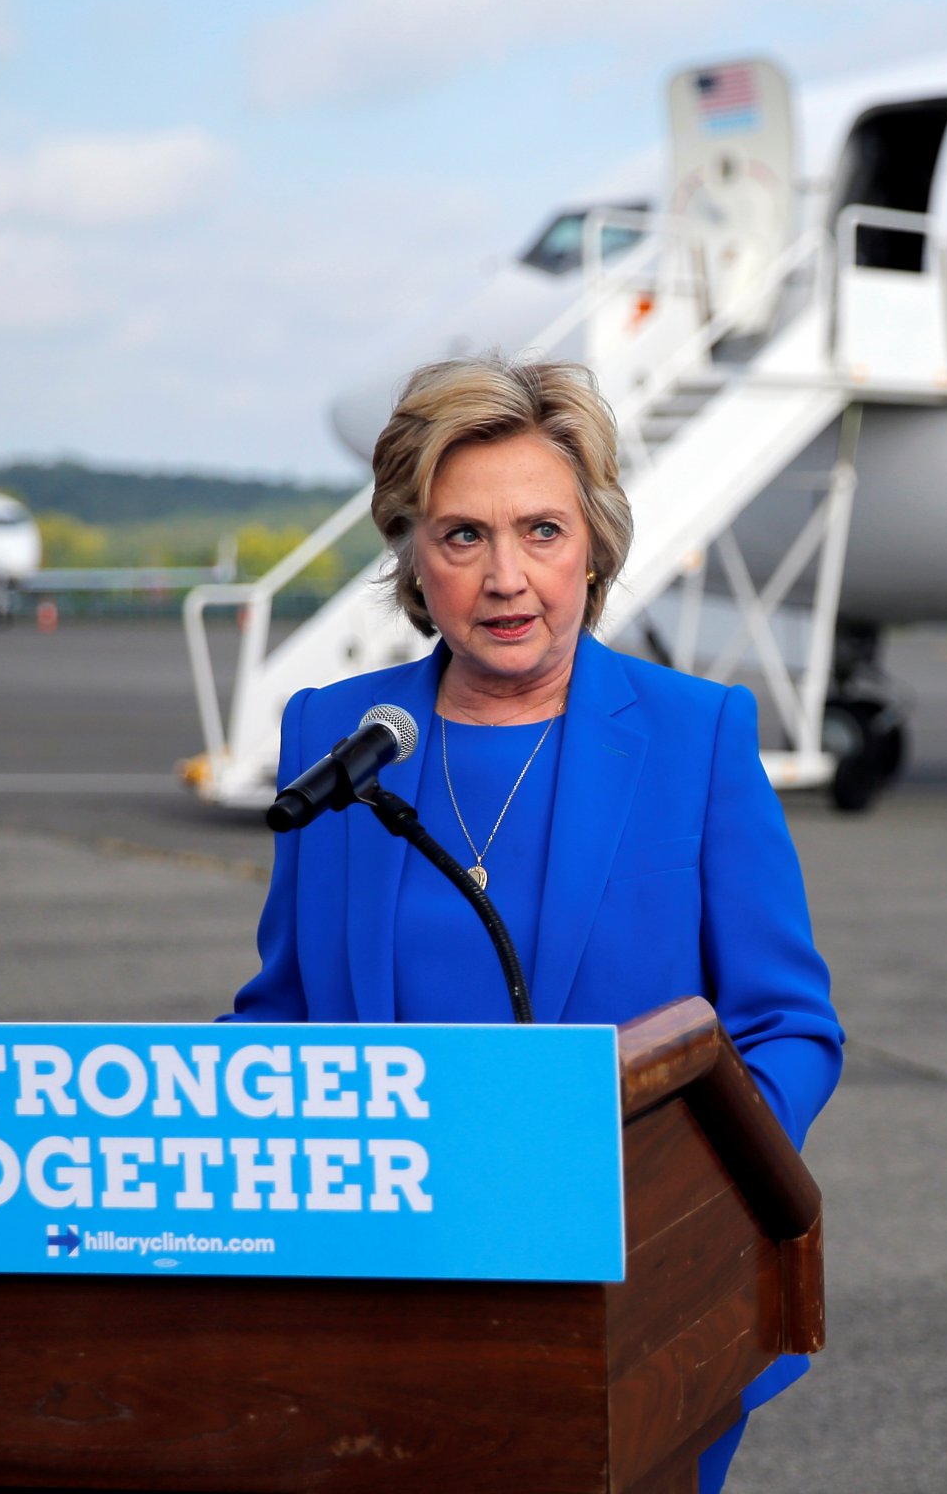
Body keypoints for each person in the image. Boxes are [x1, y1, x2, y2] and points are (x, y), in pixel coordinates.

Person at [224, 355, 844, 1491]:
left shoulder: (694, 733)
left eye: (542, 532)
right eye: (462, 536)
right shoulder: (335, 736)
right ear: (412, 553)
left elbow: (790, 1026)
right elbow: (283, 1016)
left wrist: (690, 1195)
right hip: (387, 1300)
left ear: (595, 544)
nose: (506, 577)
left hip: (634, 1294)